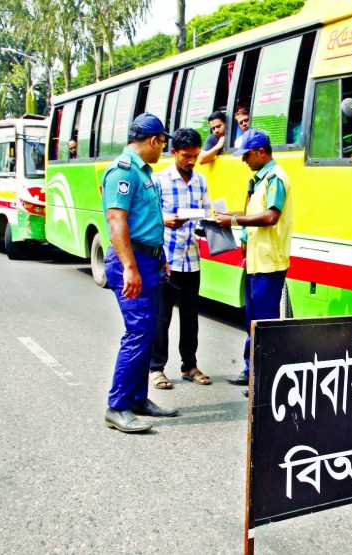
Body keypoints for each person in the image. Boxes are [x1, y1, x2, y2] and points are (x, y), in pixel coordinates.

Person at [101, 112, 180, 433]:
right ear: (153, 140)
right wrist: (131, 267)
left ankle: (137, 399)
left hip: (148, 260)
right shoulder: (122, 172)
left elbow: (145, 219)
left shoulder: (142, 172)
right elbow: (116, 221)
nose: (162, 149)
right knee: (137, 333)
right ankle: (117, 405)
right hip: (129, 261)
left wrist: (158, 257)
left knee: (147, 332)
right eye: (162, 142)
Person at [215, 130, 292, 396]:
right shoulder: (258, 181)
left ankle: (265, 377)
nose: (244, 160)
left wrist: (234, 221)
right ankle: (251, 371)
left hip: (270, 263)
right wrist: (229, 215)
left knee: (265, 322)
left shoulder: (276, 179)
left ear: (261, 152)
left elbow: (271, 216)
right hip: (255, 262)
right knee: (252, 320)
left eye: (246, 155)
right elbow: (252, 214)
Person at [149, 128, 213, 390]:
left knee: (190, 317)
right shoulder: (159, 181)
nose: (191, 161)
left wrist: (205, 226)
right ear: (174, 152)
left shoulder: (200, 181)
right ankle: (156, 368)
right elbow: (148, 217)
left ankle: (189, 366)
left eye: (195, 156)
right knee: (161, 317)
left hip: (191, 259)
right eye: (186, 155)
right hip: (166, 260)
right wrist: (165, 220)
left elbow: (206, 214)